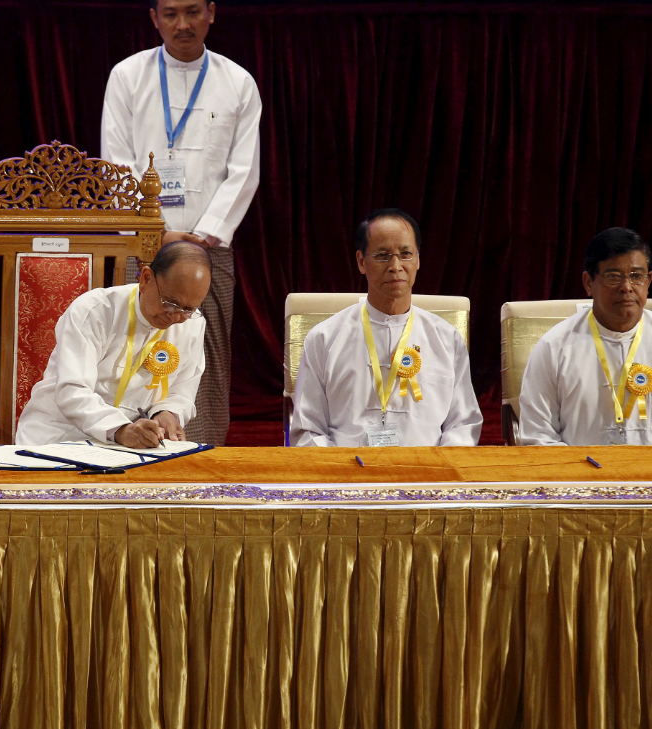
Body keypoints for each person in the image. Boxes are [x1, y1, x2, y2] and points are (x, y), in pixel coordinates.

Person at [100, 0, 261, 446]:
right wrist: (156, 232)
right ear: (154, 18)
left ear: (212, 12)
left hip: (211, 246)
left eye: (192, 12)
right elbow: (116, 162)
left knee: (204, 358)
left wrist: (202, 234)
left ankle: (202, 449)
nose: (182, 24)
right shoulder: (127, 76)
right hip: (143, 245)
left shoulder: (237, 82)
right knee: (131, 347)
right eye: (170, 14)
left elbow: (245, 170)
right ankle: (129, 442)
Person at [289, 209, 482, 447]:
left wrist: (436, 473)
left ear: (418, 260)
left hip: (426, 477)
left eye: (406, 254)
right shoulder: (324, 338)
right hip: (348, 477)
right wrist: (344, 474)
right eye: (382, 255)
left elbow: (462, 425)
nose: (395, 265)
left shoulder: (446, 338)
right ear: (361, 262)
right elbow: (308, 431)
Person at [16, 241, 211, 448]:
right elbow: (73, 391)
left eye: (188, 309)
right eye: (169, 303)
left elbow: (182, 391)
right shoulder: (95, 310)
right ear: (146, 279)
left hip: (136, 443)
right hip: (63, 435)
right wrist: (120, 430)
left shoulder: (193, 324)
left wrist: (167, 413)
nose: (176, 316)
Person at [520, 228, 652, 445]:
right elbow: (539, 436)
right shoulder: (554, 347)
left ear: (648, 281)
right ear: (589, 283)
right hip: (580, 476)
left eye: (636, 276)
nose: (626, 287)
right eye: (613, 277)